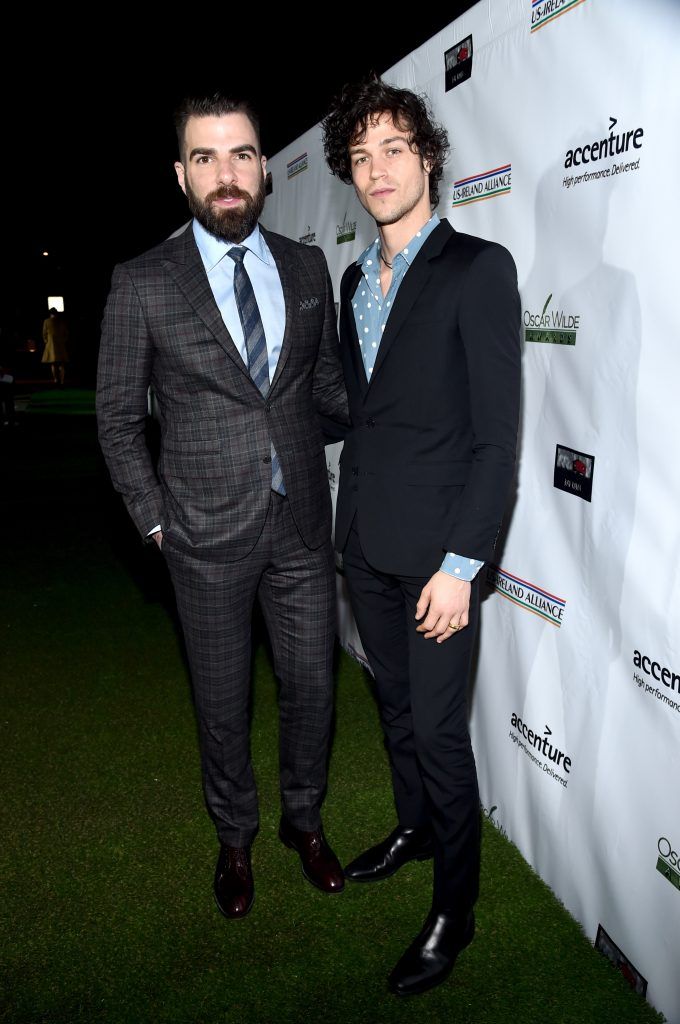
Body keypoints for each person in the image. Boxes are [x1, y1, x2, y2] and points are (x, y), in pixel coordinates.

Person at [97, 93, 349, 920]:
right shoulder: (141, 282)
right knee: (221, 699)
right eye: (204, 158)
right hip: (201, 535)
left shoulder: (307, 268)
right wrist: (156, 520)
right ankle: (235, 837)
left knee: (312, 688)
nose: (225, 173)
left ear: (265, 165)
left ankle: (302, 821)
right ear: (181, 175)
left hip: (304, 526)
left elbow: (322, 392)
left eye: (239, 154)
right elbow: (117, 418)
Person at [322, 76, 521, 995]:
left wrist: (462, 566)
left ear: (428, 157)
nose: (377, 170)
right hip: (362, 540)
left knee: (441, 734)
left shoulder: (479, 269)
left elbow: (497, 437)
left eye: (394, 149)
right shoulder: (355, 278)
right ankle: (414, 826)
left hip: (440, 560)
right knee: (395, 711)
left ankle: (457, 907)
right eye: (361, 157)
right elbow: (364, 414)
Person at [41, 308, 69, 386]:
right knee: (61, 364)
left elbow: (44, 333)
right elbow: (66, 333)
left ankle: (56, 379)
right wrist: (63, 340)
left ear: (50, 314)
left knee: (53, 364)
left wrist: (46, 341)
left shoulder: (46, 321)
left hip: (51, 346)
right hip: (60, 345)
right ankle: (62, 381)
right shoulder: (61, 321)